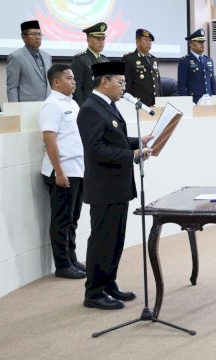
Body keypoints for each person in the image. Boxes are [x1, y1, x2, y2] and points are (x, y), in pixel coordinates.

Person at [77, 61, 152, 310]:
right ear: (104, 81)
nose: (124, 87)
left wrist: (137, 141)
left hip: (117, 185)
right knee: (102, 239)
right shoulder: (90, 109)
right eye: (120, 82)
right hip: (104, 187)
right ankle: (94, 292)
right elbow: (96, 148)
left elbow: (114, 138)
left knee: (116, 238)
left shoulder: (106, 106)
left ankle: (109, 283)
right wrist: (132, 155)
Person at [38, 64, 85, 280]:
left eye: (74, 78)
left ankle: (72, 258)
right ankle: (62, 264)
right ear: (56, 82)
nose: (74, 81)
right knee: (62, 220)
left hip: (77, 169)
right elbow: (49, 139)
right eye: (69, 78)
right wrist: (59, 172)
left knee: (73, 218)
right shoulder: (51, 105)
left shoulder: (73, 103)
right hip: (62, 171)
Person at [6, 20, 52, 102]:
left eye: (39, 34)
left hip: (47, 104)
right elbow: (12, 87)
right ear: (24, 37)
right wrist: (15, 110)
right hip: (27, 106)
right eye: (33, 34)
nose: (37, 37)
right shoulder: (16, 57)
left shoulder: (47, 57)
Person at [70, 22, 109, 106]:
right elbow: (76, 88)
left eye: (103, 39)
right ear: (89, 40)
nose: (102, 42)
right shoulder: (80, 59)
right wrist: (81, 108)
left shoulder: (105, 60)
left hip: (104, 105)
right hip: (88, 105)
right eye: (98, 39)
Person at [123, 28, 162, 106]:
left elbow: (158, 81)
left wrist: (160, 99)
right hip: (140, 103)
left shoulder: (153, 59)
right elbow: (127, 84)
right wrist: (129, 103)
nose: (149, 43)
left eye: (150, 41)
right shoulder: (129, 59)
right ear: (137, 41)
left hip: (156, 102)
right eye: (146, 40)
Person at [177, 29, 216, 104]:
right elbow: (182, 85)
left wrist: (215, 100)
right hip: (194, 101)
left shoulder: (208, 60)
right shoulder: (185, 61)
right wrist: (185, 103)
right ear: (191, 45)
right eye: (199, 42)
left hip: (209, 101)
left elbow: (212, 83)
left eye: (203, 42)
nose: (202, 44)